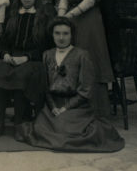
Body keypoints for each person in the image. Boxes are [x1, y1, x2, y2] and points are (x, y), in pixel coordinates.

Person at [21, 17, 124, 152]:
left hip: (76, 105)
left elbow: (85, 90)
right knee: (41, 127)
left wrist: (65, 108)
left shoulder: (82, 55)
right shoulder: (47, 55)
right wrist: (53, 107)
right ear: (52, 35)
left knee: (64, 127)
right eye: (57, 33)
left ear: (71, 35)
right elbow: (45, 87)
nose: (61, 38)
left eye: (65, 33)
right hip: (54, 104)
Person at [58, 0, 114, 117]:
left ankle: (94, 111)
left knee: (89, 62)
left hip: (89, 25)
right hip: (70, 25)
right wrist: (60, 19)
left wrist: (67, 17)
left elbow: (89, 1)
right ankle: (70, 108)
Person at [0, 0, 49, 141]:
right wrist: (5, 54)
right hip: (11, 56)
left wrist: (26, 57)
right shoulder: (12, 15)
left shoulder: (43, 17)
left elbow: (44, 46)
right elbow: (4, 43)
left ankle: (19, 124)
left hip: (32, 59)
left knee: (21, 77)